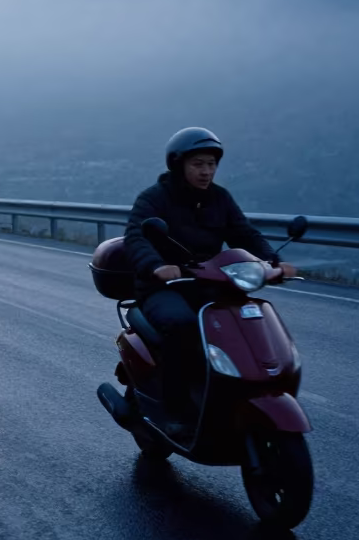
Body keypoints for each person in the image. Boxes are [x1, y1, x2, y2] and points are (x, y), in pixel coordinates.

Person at [123, 128, 297, 439]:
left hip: (209, 282)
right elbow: (136, 237)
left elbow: (245, 234)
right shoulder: (153, 199)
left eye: (211, 164)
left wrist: (272, 262)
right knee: (182, 325)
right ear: (179, 165)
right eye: (198, 164)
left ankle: (229, 391)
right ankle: (176, 409)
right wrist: (157, 266)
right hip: (164, 288)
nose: (206, 171)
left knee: (244, 319)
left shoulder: (220, 198)